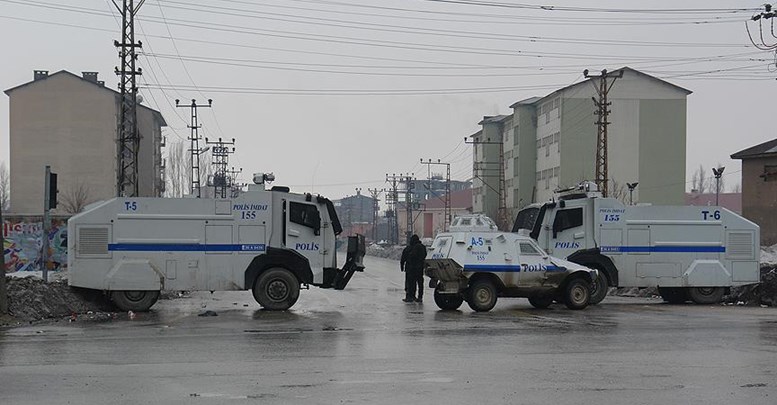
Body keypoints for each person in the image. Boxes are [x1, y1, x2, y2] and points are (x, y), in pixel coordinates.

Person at [400, 234, 427, 303]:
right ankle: (420, 297)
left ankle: (410, 296)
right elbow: (425, 255)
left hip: (411, 268)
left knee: (410, 283)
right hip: (420, 268)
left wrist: (402, 266)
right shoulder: (422, 247)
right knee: (420, 283)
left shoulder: (409, 248)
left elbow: (404, 258)